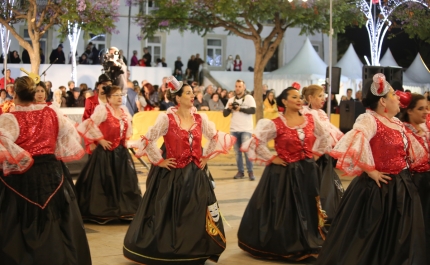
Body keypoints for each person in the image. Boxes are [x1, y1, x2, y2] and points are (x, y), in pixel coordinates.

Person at [123, 76, 235, 264]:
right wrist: (160, 161)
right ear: (178, 97)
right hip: (173, 176)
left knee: (195, 213)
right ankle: (171, 249)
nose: (192, 96)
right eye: (188, 93)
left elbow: (214, 137)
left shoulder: (200, 118)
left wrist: (205, 157)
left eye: (193, 93)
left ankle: (195, 249)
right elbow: (147, 140)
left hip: (196, 176)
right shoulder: (166, 119)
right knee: (170, 214)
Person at [316, 74, 426, 265]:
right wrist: (371, 170)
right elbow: (357, 140)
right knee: (370, 237)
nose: (399, 97)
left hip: (401, 187)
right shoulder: (369, 119)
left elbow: (410, 153)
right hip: (378, 190)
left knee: (400, 236)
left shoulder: (398, 123)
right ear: (383, 101)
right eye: (393, 94)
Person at [0, 76, 91, 264]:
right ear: (34, 94)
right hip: (52, 173)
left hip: (21, 176)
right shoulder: (51, 113)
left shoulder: (9, 118)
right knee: (58, 220)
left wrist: (20, 155)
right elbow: (69, 134)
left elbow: (3, 142)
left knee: (15, 220)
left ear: (14, 94)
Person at [238, 87, 329, 260]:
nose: (298, 100)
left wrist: (315, 155)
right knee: (286, 208)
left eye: (299, 97)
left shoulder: (310, 119)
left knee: (307, 205)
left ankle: (307, 238)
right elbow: (257, 143)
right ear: (285, 102)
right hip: (284, 174)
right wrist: (272, 158)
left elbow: (324, 137)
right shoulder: (275, 123)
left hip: (307, 172)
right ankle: (287, 243)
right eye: (294, 97)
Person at [76, 85, 142, 224]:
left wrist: (125, 141)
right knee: (104, 181)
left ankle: (125, 210)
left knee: (124, 181)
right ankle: (104, 211)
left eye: (120, 95)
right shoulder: (102, 110)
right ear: (108, 98)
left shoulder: (124, 111)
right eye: (116, 95)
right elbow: (89, 124)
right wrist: (100, 140)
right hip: (105, 153)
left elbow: (127, 129)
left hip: (121, 152)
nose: (119, 97)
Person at [301, 85, 344, 223]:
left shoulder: (322, 114)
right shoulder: (305, 113)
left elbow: (330, 134)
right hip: (312, 156)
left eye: (323, 96)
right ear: (310, 98)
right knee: (314, 187)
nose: (323, 99)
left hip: (323, 156)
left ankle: (325, 213)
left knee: (326, 187)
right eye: (320, 96)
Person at [398, 92, 430, 263]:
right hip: (414, 184)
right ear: (409, 111)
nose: (426, 112)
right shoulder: (402, 132)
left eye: (426, 108)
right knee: (418, 224)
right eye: (421, 109)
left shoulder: (425, 130)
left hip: (427, 182)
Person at [223, 79, 256, 180]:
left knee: (247, 151)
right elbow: (225, 114)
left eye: (239, 86)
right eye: (236, 86)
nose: (237, 88)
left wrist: (240, 109)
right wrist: (229, 108)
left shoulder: (249, 98)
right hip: (234, 129)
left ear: (244, 87)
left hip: (246, 129)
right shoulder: (231, 99)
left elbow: (253, 110)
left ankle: (250, 172)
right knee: (237, 152)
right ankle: (240, 172)